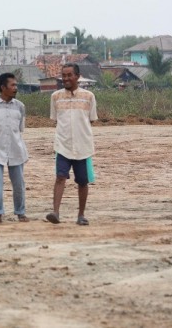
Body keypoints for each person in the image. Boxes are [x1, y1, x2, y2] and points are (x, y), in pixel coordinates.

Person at [47, 63, 98, 226]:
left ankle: (81, 215)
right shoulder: (55, 97)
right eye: (64, 75)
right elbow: (55, 120)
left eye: (69, 75)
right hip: (63, 145)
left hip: (83, 146)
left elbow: (91, 120)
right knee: (60, 177)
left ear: (78, 76)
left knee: (82, 181)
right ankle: (55, 212)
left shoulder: (89, 96)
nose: (66, 78)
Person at [0, 73, 29, 224]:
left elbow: (20, 130)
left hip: (16, 149)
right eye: (13, 85)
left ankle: (21, 213)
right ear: (3, 87)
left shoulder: (20, 107)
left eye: (16, 85)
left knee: (19, 184)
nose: (16, 88)